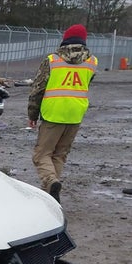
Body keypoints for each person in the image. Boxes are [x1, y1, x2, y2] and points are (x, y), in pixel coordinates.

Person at [27, 24, 98, 203]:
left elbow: (38, 88)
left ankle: (50, 182)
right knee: (59, 154)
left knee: (41, 154)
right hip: (75, 114)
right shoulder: (92, 62)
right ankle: (51, 194)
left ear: (65, 38)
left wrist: (32, 114)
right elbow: (86, 84)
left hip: (54, 113)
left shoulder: (52, 60)